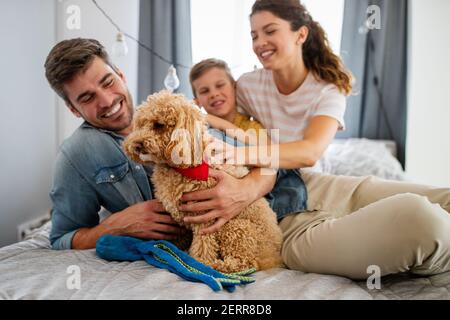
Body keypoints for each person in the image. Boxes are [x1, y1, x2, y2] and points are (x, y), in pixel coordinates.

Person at [186, 0, 450, 280]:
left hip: (315, 183)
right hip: (282, 211)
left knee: (443, 199)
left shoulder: (328, 89)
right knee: (422, 220)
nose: (260, 42)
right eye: (254, 35)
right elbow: (218, 105)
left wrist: (240, 155)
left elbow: (310, 151)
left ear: (301, 34)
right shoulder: (249, 85)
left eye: (269, 31)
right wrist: (194, 113)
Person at [45, 38, 276, 250]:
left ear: (121, 75)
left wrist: (243, 192)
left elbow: (268, 162)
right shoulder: (76, 154)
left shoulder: (172, 114)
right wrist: (115, 225)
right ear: (74, 109)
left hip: (267, 208)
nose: (107, 101)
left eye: (108, 82)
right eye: (87, 98)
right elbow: (62, 237)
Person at [189, 58, 308, 220]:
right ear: (197, 101)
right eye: (204, 91)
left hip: (263, 196)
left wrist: (214, 120)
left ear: (234, 87)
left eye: (220, 85)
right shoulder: (202, 130)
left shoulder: (251, 125)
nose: (214, 93)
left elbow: (268, 154)